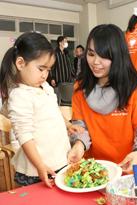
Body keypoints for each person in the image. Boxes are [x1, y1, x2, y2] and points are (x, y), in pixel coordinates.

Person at [67, 24, 137, 173]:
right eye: (91, 54)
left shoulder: (135, 90)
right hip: (94, 171)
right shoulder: (80, 89)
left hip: (129, 169)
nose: (95, 62)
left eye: (103, 56)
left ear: (117, 56)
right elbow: (79, 127)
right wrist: (79, 144)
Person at [0, 32, 83, 188]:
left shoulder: (45, 87)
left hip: (58, 160)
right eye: (41, 69)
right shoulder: (19, 95)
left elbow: (54, 111)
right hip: (37, 169)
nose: (45, 75)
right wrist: (39, 165)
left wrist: (67, 124)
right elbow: (25, 136)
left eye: (48, 70)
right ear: (20, 63)